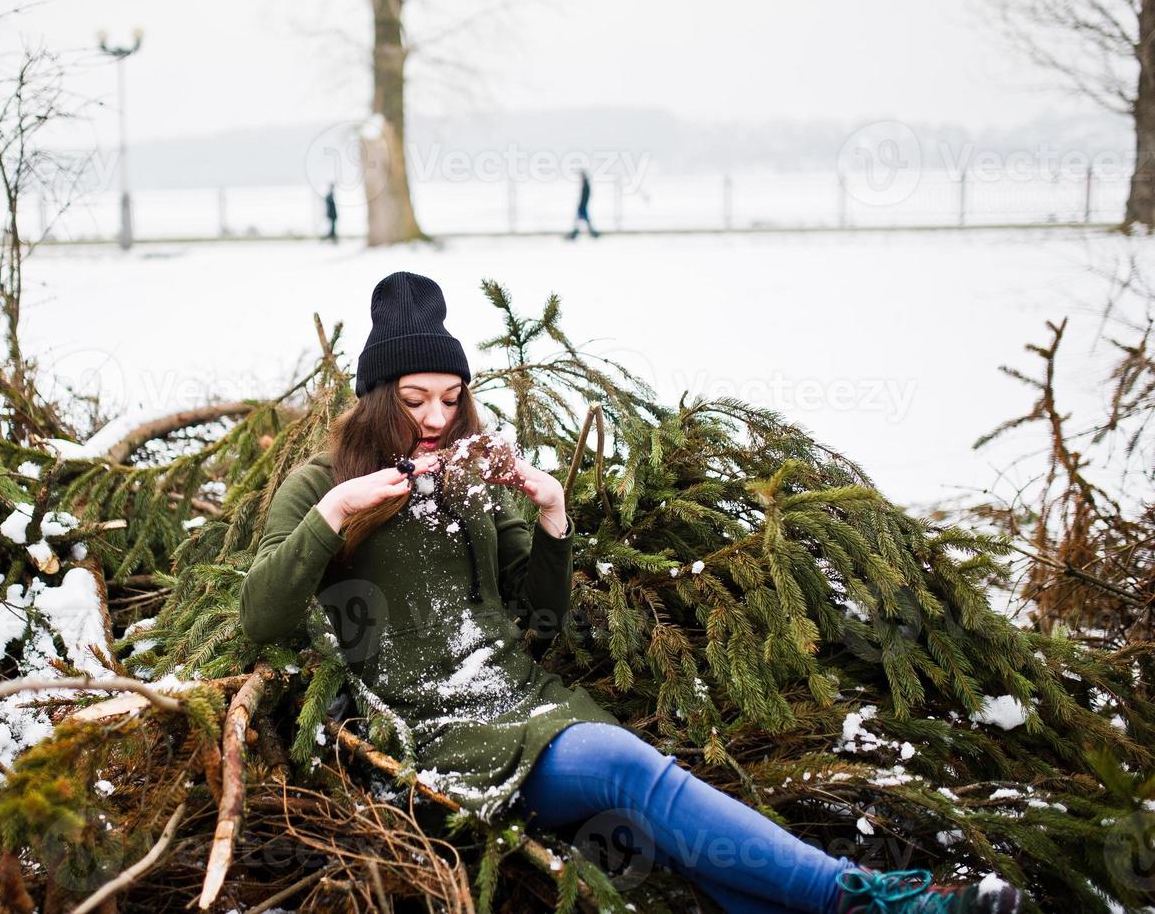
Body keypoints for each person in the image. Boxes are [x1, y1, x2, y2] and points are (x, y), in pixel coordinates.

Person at [237, 270, 1025, 914]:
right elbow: (261, 616)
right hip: (426, 728)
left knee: (667, 842)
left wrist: (549, 514)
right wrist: (338, 514)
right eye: (414, 401)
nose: (438, 417)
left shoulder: (473, 479)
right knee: (620, 765)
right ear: (378, 397)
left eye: (452, 397)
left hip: (526, 698)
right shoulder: (322, 484)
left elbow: (538, 613)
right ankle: (863, 900)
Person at [568, 169, 599, 240]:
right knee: (582, 221)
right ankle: (592, 234)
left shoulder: (585, 184)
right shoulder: (585, 184)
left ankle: (575, 234)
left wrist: (582, 205)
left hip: (583, 206)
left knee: (580, 221)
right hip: (583, 205)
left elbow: (585, 196)